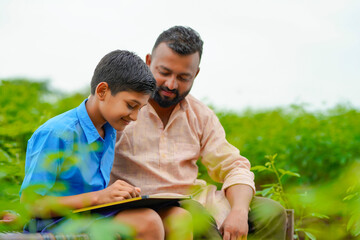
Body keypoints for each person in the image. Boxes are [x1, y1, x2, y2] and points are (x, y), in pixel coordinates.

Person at [110, 26, 287, 239]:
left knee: (272, 213)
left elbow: (233, 166)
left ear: (196, 74)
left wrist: (239, 211)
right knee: (194, 219)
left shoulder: (200, 115)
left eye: (183, 77)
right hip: (144, 206)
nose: (171, 84)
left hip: (195, 199)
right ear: (148, 62)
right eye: (164, 72)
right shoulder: (123, 107)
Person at [19, 50, 165, 240]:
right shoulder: (57, 133)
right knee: (147, 223)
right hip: (53, 223)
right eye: (130, 105)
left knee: (171, 216)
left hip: (90, 215)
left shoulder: (110, 130)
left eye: (140, 109)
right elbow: (30, 204)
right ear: (102, 91)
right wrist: (100, 197)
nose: (135, 117)